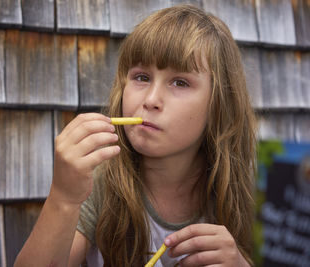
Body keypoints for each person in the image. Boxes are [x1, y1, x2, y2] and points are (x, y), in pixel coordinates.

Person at [14, 4, 257, 267]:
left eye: (180, 82)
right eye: (141, 77)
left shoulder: (245, 189)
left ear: (219, 104)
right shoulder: (100, 184)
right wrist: (63, 197)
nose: (151, 100)